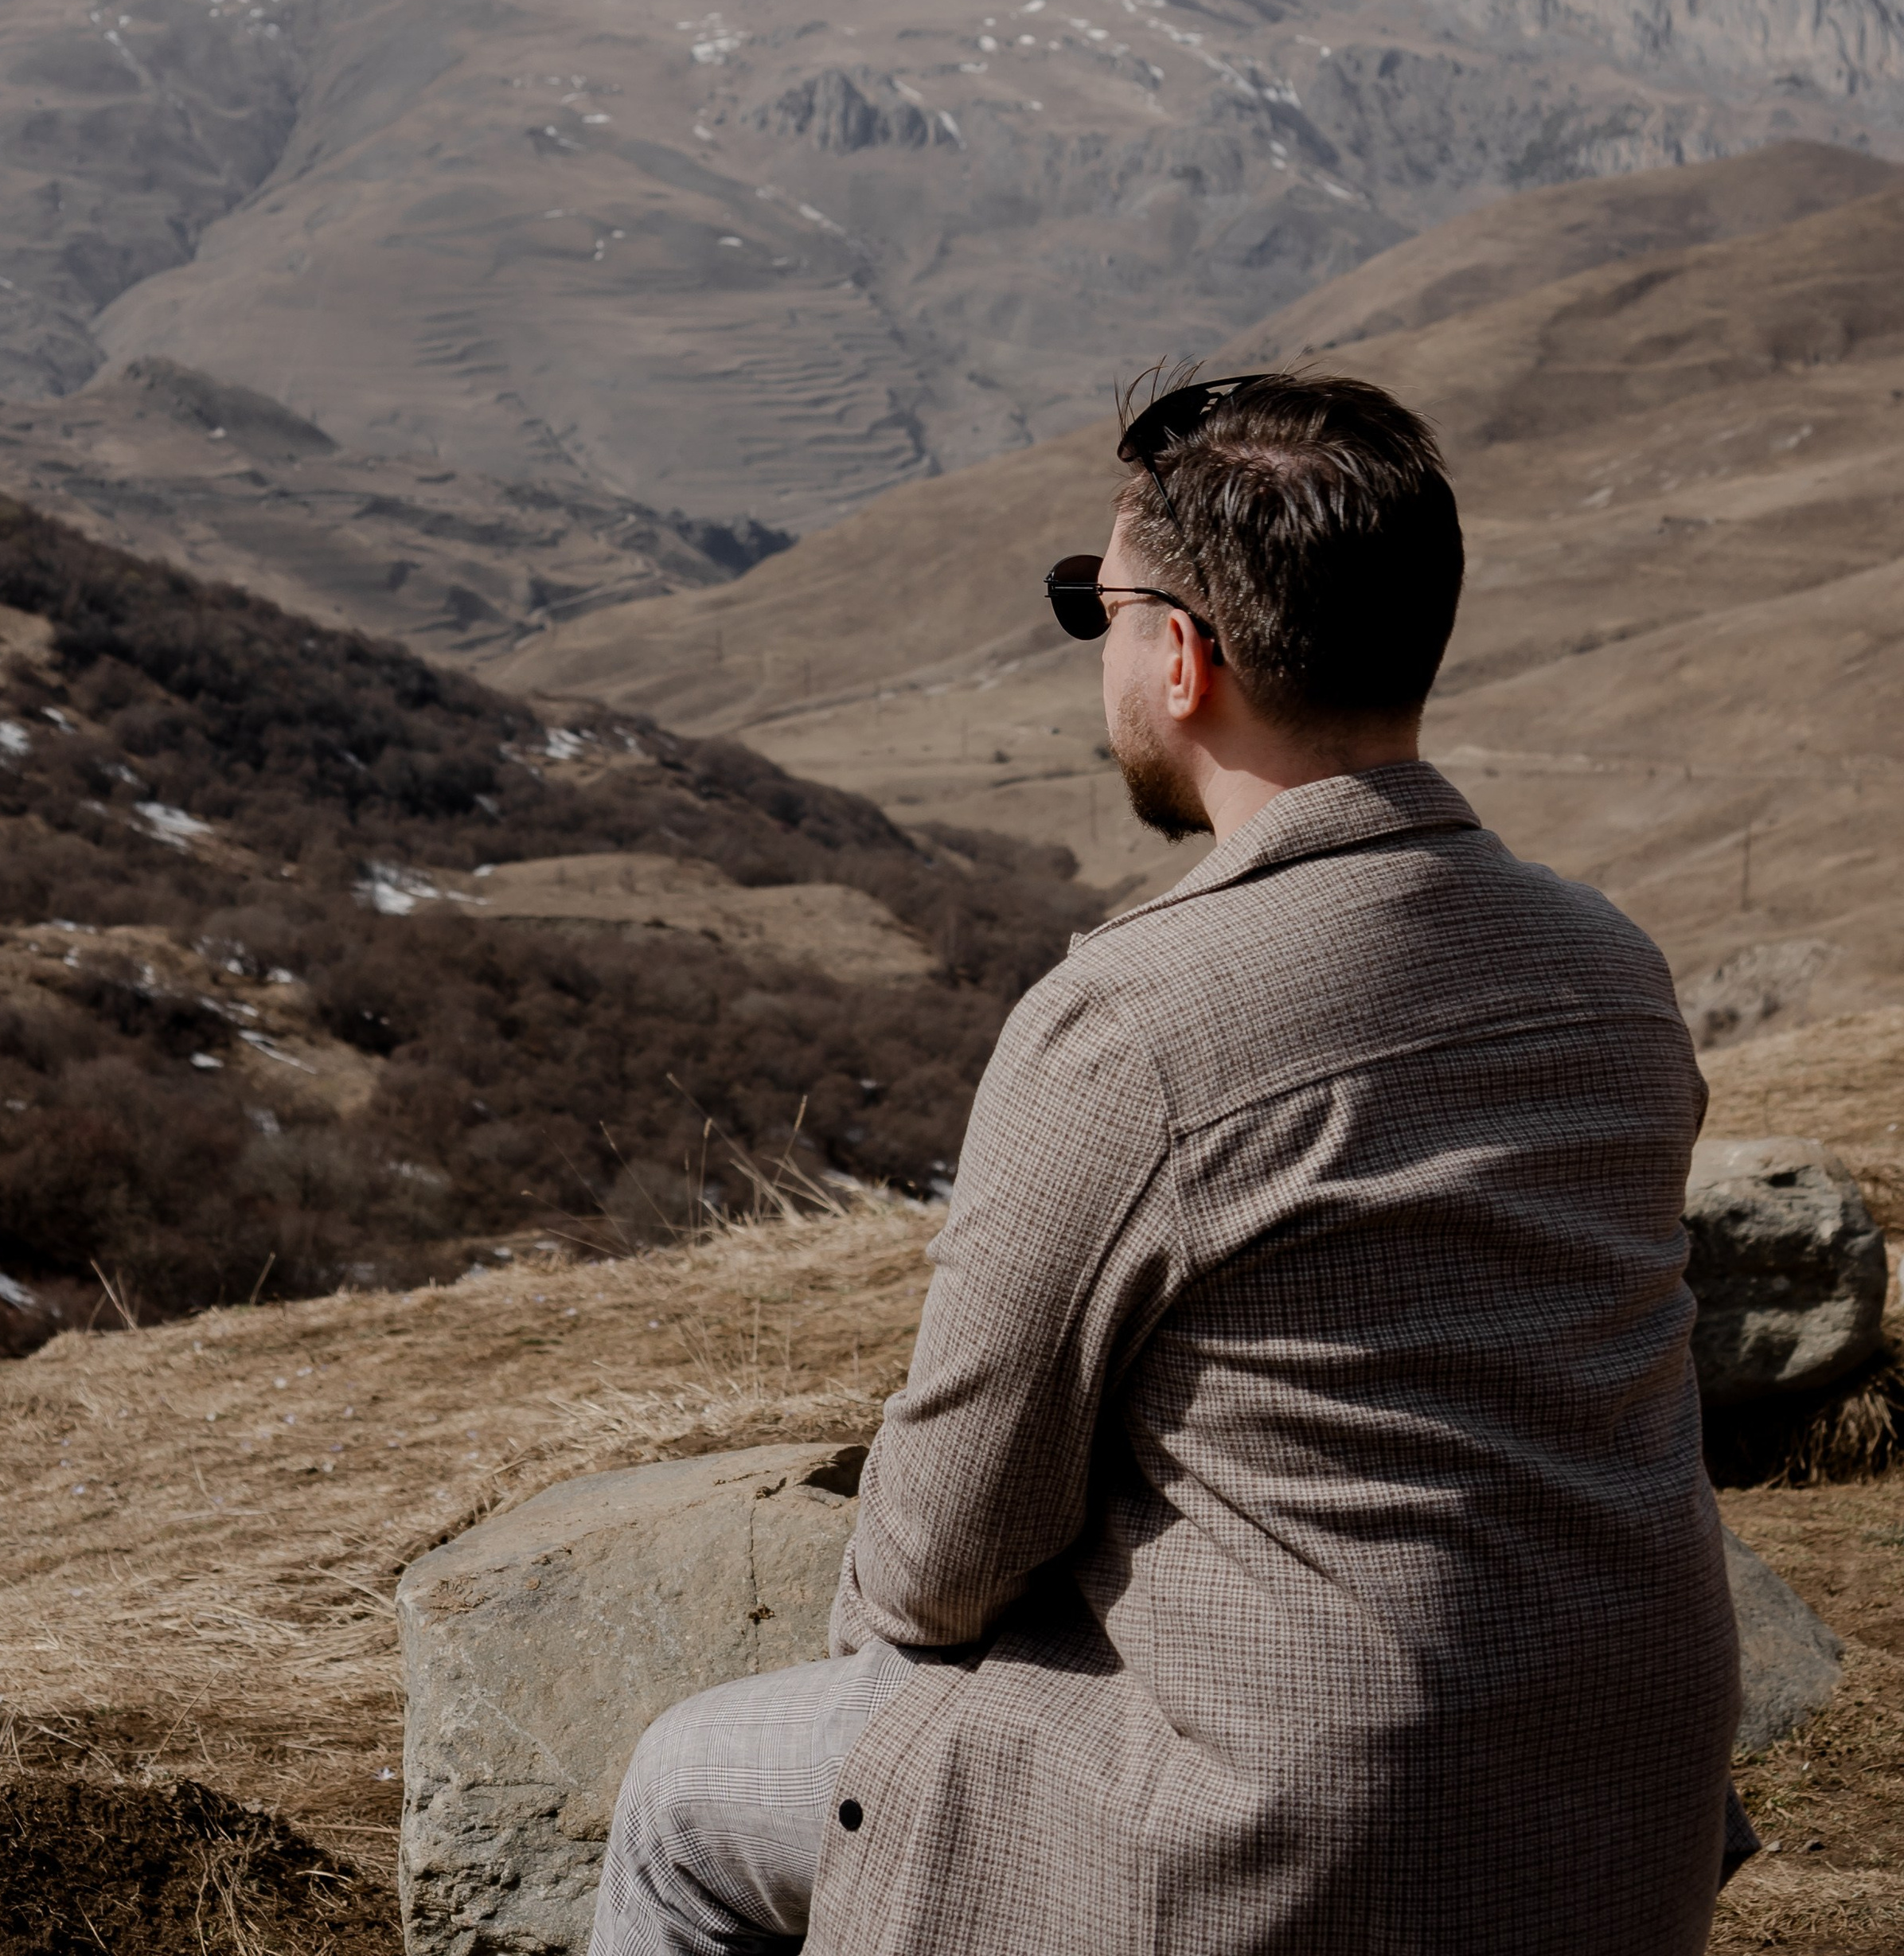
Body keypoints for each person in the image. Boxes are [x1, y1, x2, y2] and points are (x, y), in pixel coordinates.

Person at [590, 370, 1750, 1956]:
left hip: (1292, 1841)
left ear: (1183, 658)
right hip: (1625, 1804)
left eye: (1099, 606)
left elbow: (943, 1552)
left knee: (682, 1793)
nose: (1100, 643)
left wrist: (897, 1692)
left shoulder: (1133, 1020)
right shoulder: (1610, 967)